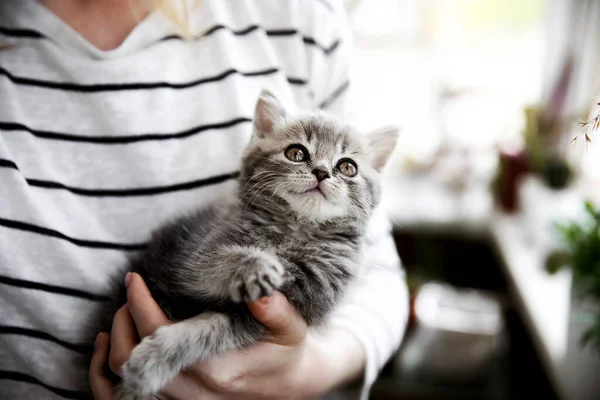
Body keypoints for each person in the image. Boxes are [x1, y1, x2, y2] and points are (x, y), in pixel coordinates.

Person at [0, 0, 409, 399]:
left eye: (346, 168)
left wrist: (304, 372)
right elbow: (202, 270)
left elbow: (381, 279)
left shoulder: (300, 14)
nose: (323, 171)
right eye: (300, 154)